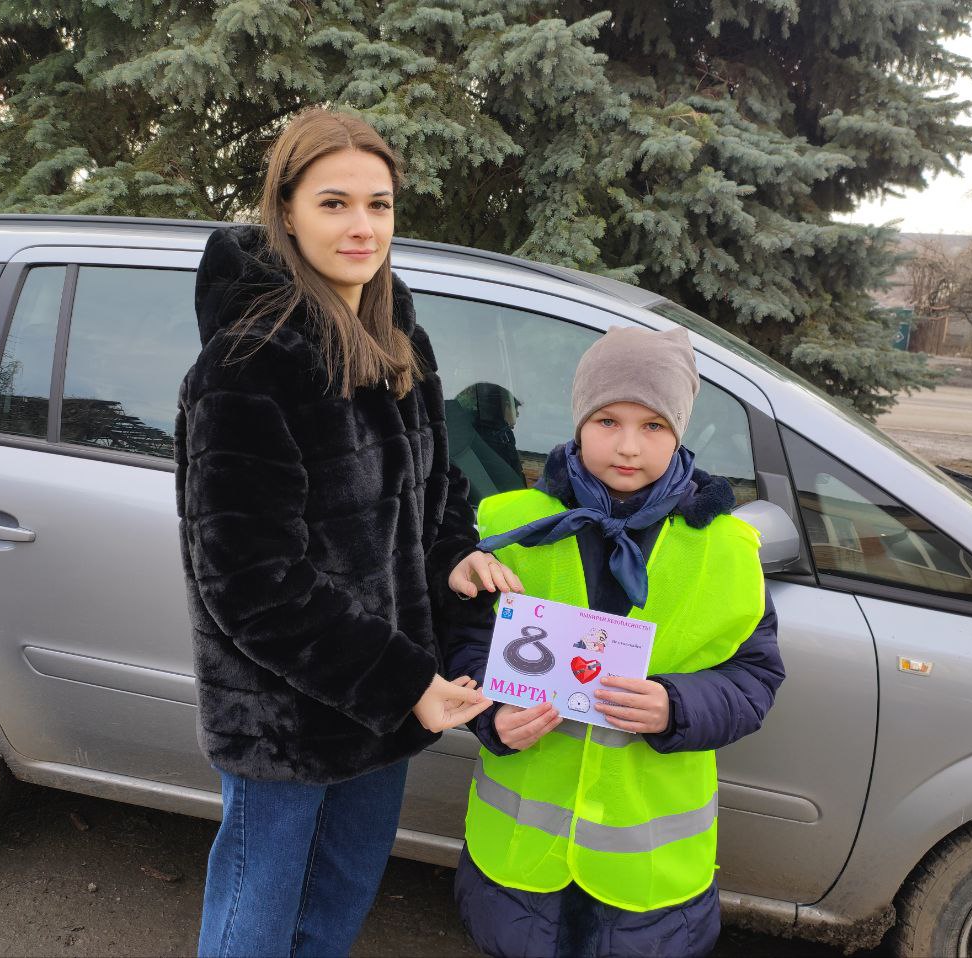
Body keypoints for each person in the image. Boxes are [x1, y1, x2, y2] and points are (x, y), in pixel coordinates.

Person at [174, 107, 513, 958]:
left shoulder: (401, 339)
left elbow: (438, 489)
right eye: (334, 203)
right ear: (285, 211)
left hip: (387, 705)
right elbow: (250, 581)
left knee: (332, 914)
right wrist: (405, 681)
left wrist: (456, 554)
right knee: (255, 929)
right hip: (286, 717)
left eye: (380, 204)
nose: (362, 226)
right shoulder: (248, 364)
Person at [444, 326, 786, 958]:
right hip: (522, 871)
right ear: (579, 423)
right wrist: (493, 715)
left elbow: (755, 678)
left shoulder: (727, 551)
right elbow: (464, 644)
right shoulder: (511, 527)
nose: (628, 446)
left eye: (654, 425)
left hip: (645, 885)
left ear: (681, 430)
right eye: (607, 420)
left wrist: (677, 707)